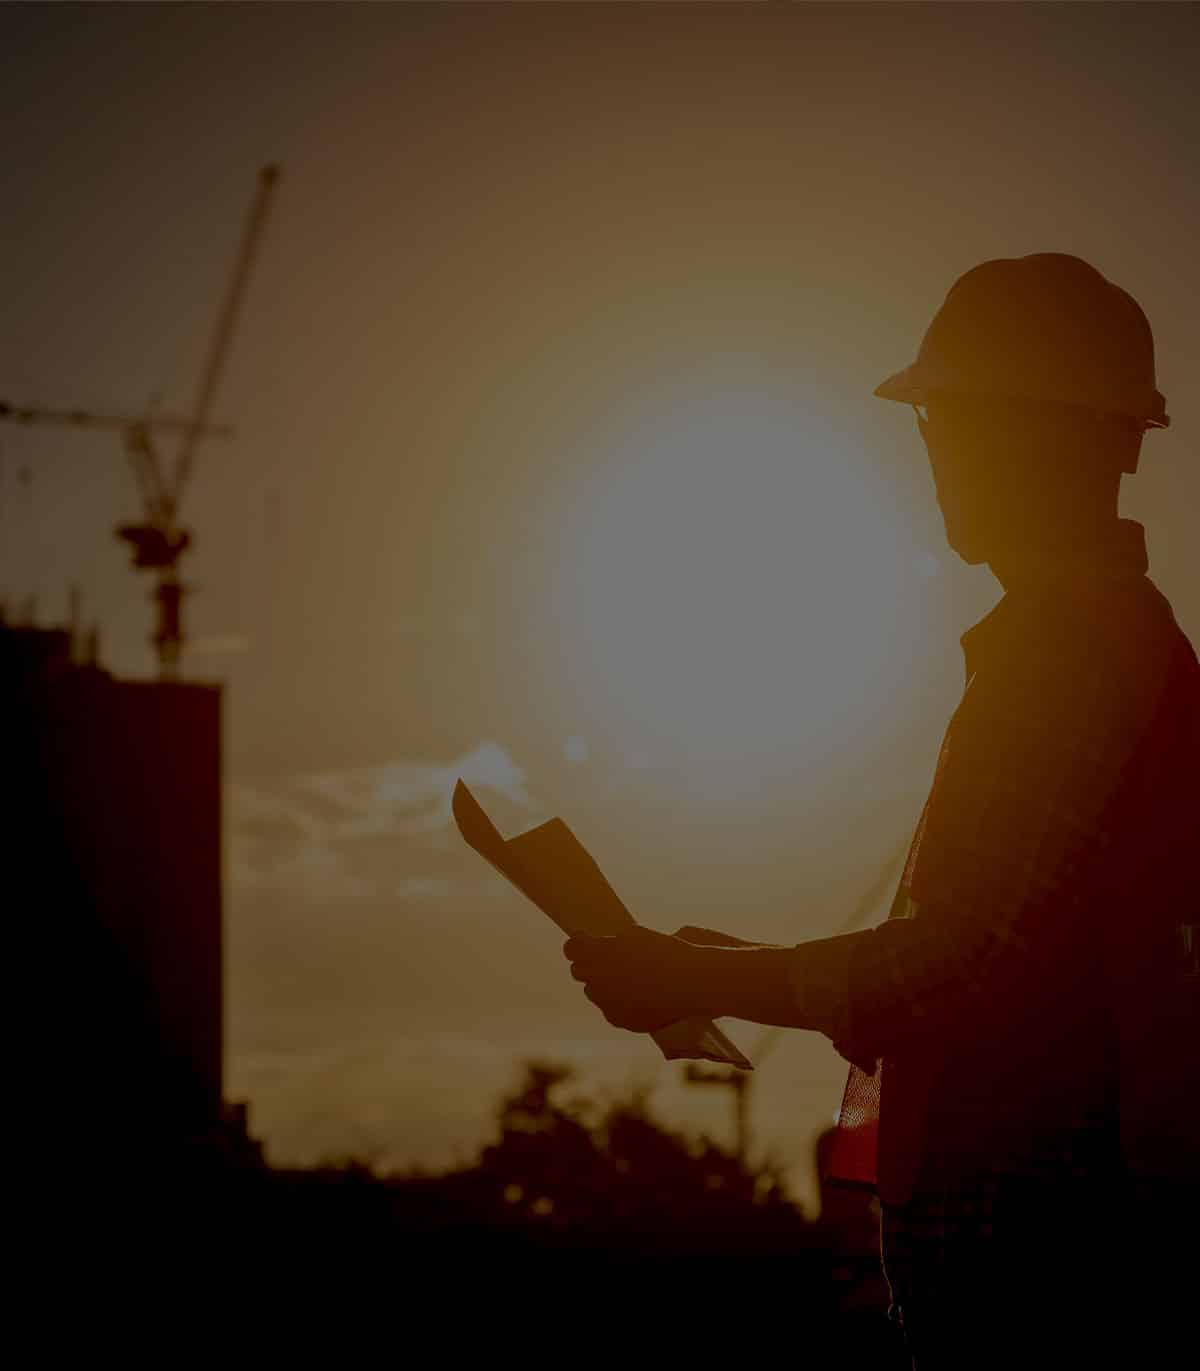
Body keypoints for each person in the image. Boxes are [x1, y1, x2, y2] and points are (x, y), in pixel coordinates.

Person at [563, 254, 1198, 1366]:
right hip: (1058, 1248)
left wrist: (704, 980)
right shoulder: (1108, 643)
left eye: (952, 420)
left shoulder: (1064, 656)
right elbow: (997, 946)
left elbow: (958, 967)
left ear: (1044, 431)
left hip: (1035, 1267)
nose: (935, 456)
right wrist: (733, 965)